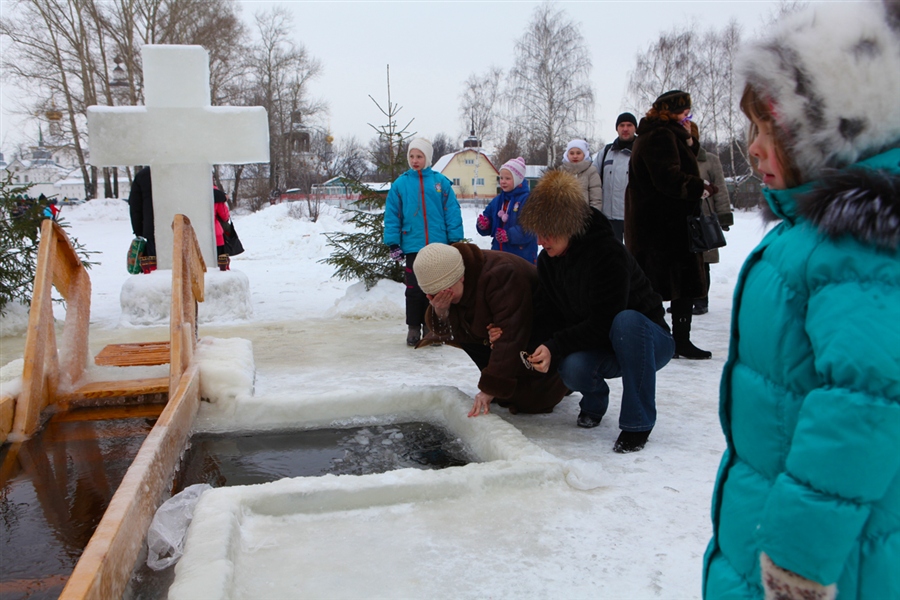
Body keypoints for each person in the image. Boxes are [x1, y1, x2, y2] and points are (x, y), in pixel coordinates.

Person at [703, 2, 900, 598]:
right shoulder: (815, 236)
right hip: (768, 523)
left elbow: (862, 407)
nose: (753, 148)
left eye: (769, 130)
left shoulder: (860, 248)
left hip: (827, 563)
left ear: (834, 129)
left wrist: (796, 566)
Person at [518, 169, 674, 453]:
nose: (541, 240)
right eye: (538, 233)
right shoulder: (549, 262)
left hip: (648, 342)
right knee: (571, 366)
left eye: (548, 232)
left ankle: (637, 423)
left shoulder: (607, 253)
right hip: (604, 344)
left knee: (625, 321)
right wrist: (537, 348)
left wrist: (557, 344)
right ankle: (594, 402)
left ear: (569, 225)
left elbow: (605, 320)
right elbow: (549, 314)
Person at [413, 242, 567, 417]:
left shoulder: (500, 274)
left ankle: (562, 377)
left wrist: (490, 388)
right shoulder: (453, 284)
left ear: (461, 276)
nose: (442, 298)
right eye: (434, 295)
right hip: (503, 335)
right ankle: (508, 379)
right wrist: (441, 310)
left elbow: (512, 334)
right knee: (507, 394)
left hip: (542, 331)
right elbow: (452, 330)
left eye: (446, 292)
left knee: (531, 403)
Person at [625, 90, 716, 359]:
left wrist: (689, 139)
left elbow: (680, 163)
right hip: (663, 226)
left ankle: (675, 340)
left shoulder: (662, 134)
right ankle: (666, 340)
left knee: (669, 284)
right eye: (685, 112)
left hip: (662, 224)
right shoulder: (660, 136)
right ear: (672, 112)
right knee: (665, 283)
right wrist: (701, 188)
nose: (688, 117)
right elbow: (669, 178)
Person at [384, 138, 464, 347]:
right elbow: (393, 215)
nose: (415, 160)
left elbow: (452, 212)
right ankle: (413, 327)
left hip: (438, 248)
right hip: (413, 246)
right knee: (414, 290)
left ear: (427, 158)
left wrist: (455, 240)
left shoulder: (440, 183)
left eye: (419, 156)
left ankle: (433, 328)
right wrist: (394, 244)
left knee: (438, 290)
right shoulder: (401, 184)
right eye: (411, 156)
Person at [690, 122, 732, 315]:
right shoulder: (671, 160)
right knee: (682, 260)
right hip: (680, 218)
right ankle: (682, 299)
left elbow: (721, 189)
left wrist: (723, 216)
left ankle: (701, 300)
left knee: (703, 260)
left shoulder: (710, 160)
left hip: (703, 217)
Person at [475, 156, 538, 264]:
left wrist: (509, 235)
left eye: (508, 178)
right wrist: (484, 224)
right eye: (501, 178)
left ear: (518, 179)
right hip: (498, 255)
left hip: (521, 257)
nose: (503, 181)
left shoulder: (527, 200)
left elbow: (530, 228)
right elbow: (488, 215)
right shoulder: (497, 200)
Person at [595, 112, 637, 242]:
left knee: (636, 258)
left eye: (629, 125)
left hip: (634, 217)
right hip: (609, 218)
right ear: (617, 128)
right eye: (622, 125)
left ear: (635, 128)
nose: (625, 129)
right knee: (612, 258)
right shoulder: (606, 152)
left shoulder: (642, 152)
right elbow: (592, 178)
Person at [560, 139, 602, 211]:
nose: (575, 156)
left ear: (584, 154)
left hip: (585, 216)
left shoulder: (591, 171)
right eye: (572, 153)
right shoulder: (560, 171)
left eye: (578, 153)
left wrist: (593, 216)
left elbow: (596, 198)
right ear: (567, 154)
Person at [128, 166, 156, 273]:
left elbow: (135, 206)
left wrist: (139, 231)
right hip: (181, 227)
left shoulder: (143, 175)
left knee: (155, 267)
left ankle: (158, 288)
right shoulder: (181, 169)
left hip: (152, 229)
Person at [213, 185, 232, 271]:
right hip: (216, 231)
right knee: (221, 259)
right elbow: (224, 216)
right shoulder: (219, 196)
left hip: (198, 230)